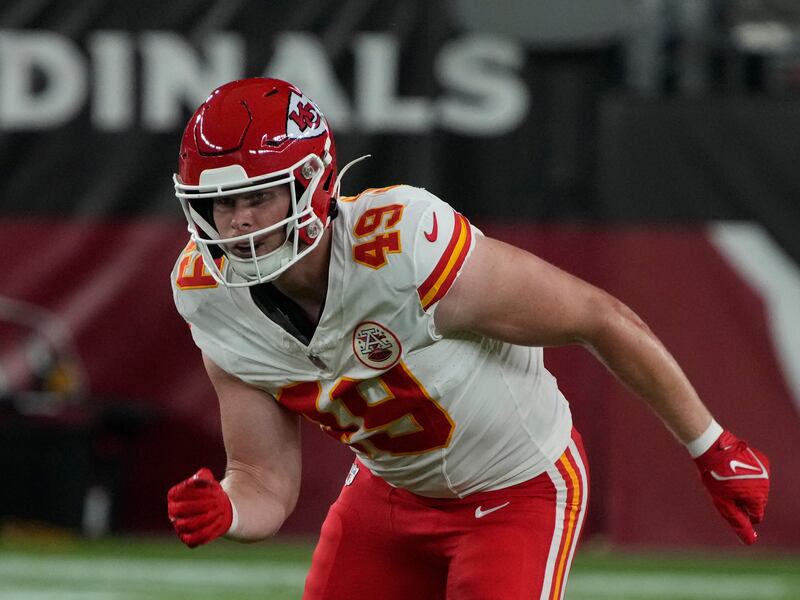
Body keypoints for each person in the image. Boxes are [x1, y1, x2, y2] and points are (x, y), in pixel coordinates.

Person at [166, 77, 770, 600]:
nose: (239, 221)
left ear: (314, 182)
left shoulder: (400, 247)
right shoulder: (208, 296)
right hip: (390, 497)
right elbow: (264, 480)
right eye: (220, 204)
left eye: (257, 196)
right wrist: (228, 508)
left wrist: (710, 445)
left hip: (517, 489)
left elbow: (598, 317)